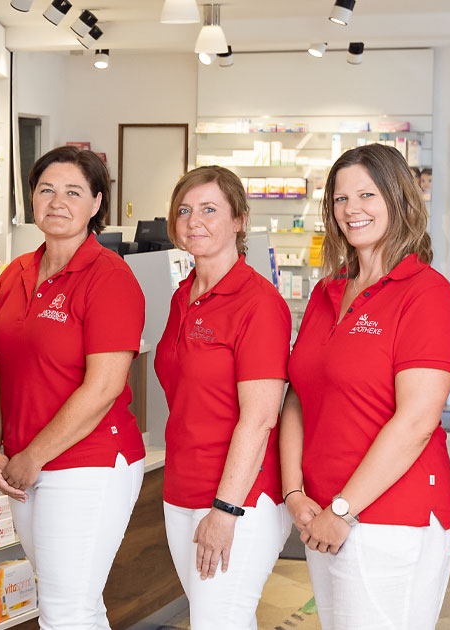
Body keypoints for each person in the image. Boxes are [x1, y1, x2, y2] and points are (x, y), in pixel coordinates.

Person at [279, 143, 450, 630]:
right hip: (322, 511)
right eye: (340, 199)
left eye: (367, 195)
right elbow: (298, 392)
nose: (351, 209)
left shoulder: (427, 295)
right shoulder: (326, 292)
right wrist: (295, 491)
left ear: (399, 200)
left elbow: (417, 421)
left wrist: (343, 509)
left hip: (390, 516)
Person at [0, 146, 145, 629]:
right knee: (74, 604)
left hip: (87, 462)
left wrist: (32, 455)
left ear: (96, 203)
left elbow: (103, 388)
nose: (57, 201)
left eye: (73, 191)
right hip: (23, 465)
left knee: (64, 608)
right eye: (46, 189)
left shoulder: (111, 278)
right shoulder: (15, 273)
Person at [152, 167, 292, 630]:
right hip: (182, 488)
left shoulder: (259, 303)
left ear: (239, 220)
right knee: (222, 619)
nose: (194, 220)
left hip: (241, 497)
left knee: (218, 621)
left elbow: (260, 418)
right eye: (185, 210)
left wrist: (226, 509)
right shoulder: (181, 296)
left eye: (210, 209)